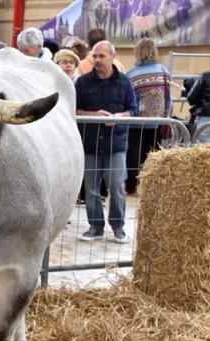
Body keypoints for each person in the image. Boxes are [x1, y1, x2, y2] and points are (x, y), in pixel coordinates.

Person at [75, 41, 136, 244]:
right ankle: (95, 226)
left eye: (102, 56)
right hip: (90, 143)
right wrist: (93, 114)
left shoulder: (125, 83)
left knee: (117, 185)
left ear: (113, 56)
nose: (98, 60)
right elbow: (74, 110)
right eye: (95, 56)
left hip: (115, 143)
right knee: (91, 188)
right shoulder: (82, 83)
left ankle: (118, 227)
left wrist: (119, 116)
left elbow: (133, 110)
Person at [125, 38, 171, 194]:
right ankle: (150, 187)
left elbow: (129, 99)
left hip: (136, 122)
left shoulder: (131, 74)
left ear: (138, 52)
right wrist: (166, 116)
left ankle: (131, 186)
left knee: (133, 156)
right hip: (157, 120)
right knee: (153, 155)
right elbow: (168, 96)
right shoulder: (163, 70)